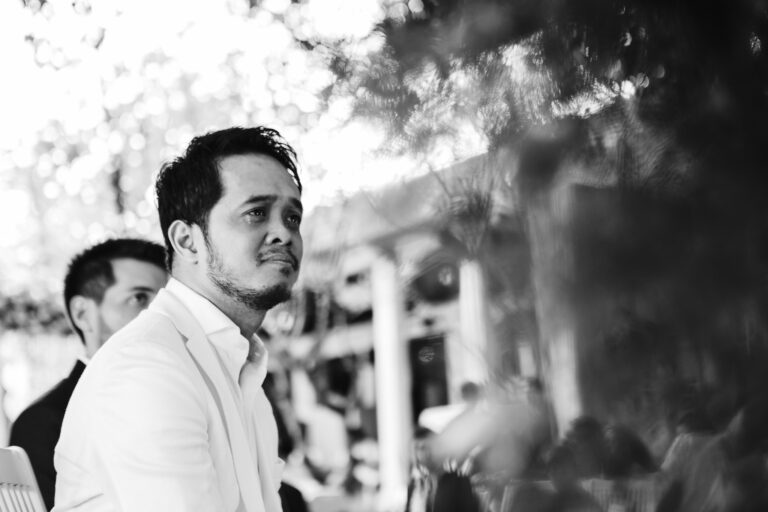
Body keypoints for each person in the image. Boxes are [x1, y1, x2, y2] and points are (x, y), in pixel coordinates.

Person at [53, 126, 304, 512]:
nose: (283, 233)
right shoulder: (146, 366)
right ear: (187, 241)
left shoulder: (240, 370)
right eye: (256, 213)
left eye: (292, 217)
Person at [9, 238, 167, 510]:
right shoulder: (44, 421)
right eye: (139, 298)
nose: (161, 315)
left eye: (166, 301)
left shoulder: (178, 400)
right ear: (83, 313)